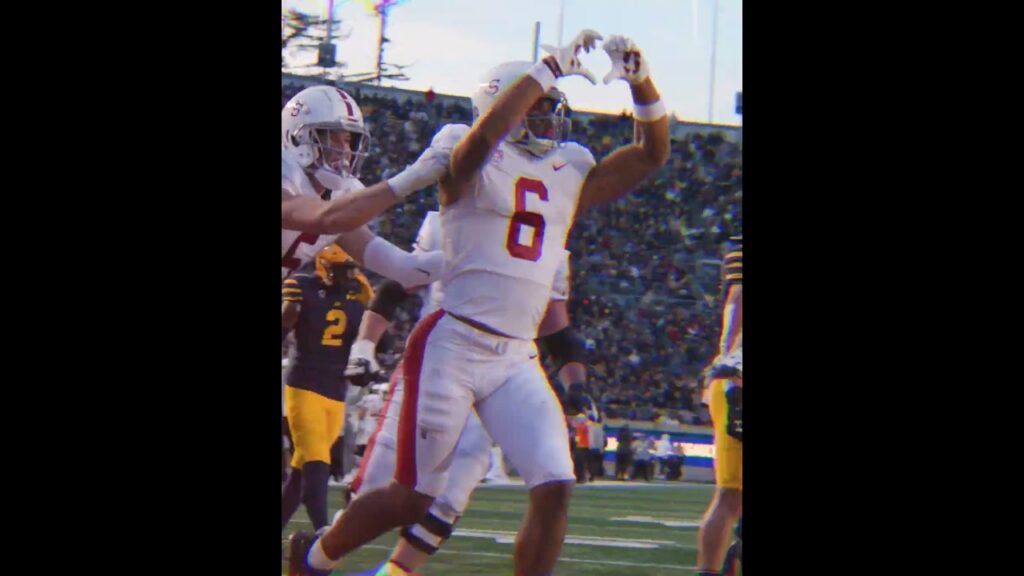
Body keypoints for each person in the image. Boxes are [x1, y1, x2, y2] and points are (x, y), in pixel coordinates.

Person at [297, 30, 669, 576]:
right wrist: (544, 70)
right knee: (413, 497)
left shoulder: (568, 167)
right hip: (453, 343)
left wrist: (642, 83)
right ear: (504, 105)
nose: (546, 122)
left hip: (516, 356)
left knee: (555, 484)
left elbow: (651, 153)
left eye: (549, 111)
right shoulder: (462, 149)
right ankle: (313, 558)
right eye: (535, 109)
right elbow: (480, 142)